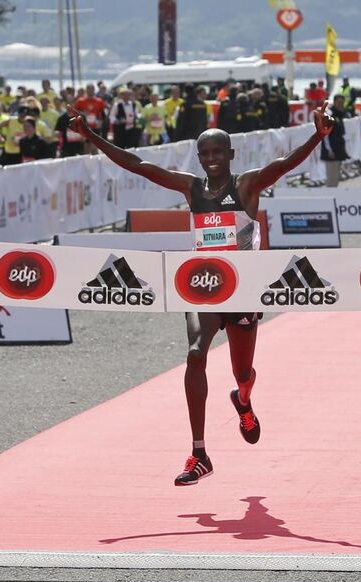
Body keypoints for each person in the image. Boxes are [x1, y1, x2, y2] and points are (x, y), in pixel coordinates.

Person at [67, 102, 334, 486]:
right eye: (204, 153)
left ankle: (243, 400)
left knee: (243, 372)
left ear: (231, 154)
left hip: (242, 291)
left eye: (217, 152)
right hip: (204, 287)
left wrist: (318, 136)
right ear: (199, 157)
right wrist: (91, 136)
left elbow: (286, 163)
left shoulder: (247, 184)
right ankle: (199, 452)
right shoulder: (191, 187)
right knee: (195, 356)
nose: (211, 159)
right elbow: (138, 165)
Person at [321, 95, 349, 188]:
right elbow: (325, 134)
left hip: (339, 149)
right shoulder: (330, 114)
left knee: (336, 178)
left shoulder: (340, 114)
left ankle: (334, 197)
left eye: (342, 102)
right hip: (331, 151)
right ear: (334, 102)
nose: (341, 104)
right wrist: (329, 149)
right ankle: (328, 199)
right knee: (331, 178)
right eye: (339, 102)